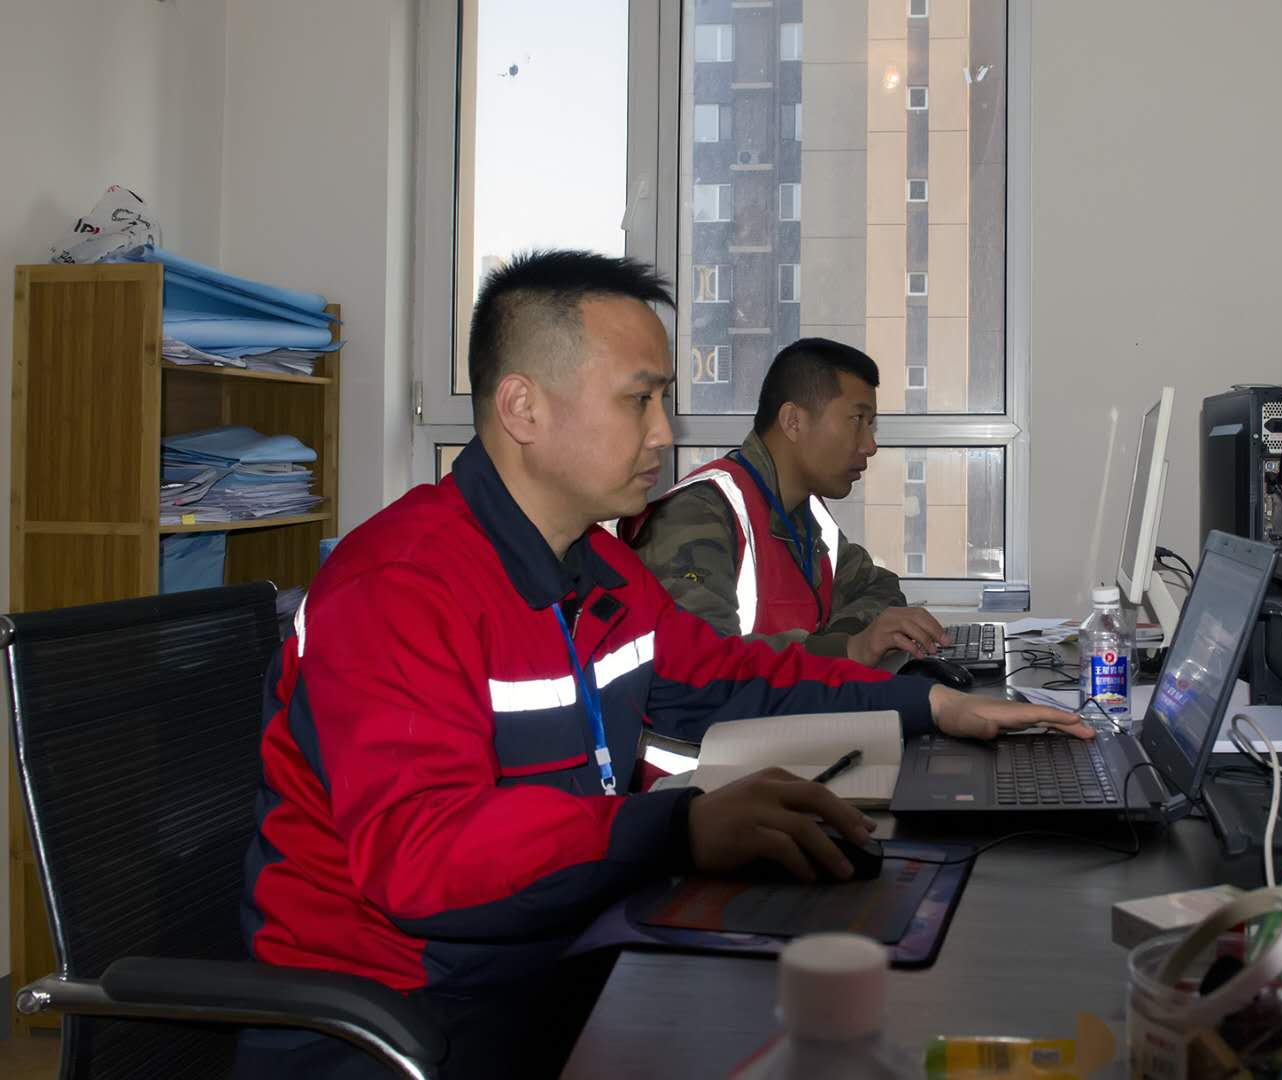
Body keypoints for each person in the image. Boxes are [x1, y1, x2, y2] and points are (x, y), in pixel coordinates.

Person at [235, 250, 1085, 1080]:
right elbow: (427, 857)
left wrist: (929, 705)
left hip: (554, 949)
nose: (664, 433)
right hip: (400, 1021)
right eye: (638, 399)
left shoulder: (601, 570)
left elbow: (730, 678)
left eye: (664, 399)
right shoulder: (397, 587)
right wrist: (674, 827)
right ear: (523, 407)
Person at [623, 338, 948, 667]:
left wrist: (844, 641)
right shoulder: (698, 514)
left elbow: (881, 588)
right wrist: (846, 650)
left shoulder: (805, 512)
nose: (870, 445)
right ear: (793, 421)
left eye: (870, 424)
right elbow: (700, 665)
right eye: (856, 420)